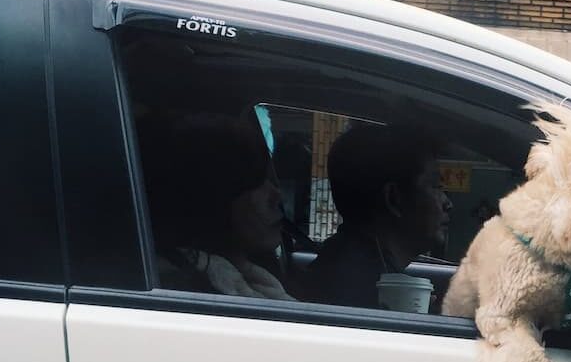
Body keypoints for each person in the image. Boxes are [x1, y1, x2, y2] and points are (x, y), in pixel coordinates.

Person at [140, 112, 295, 301]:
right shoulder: (185, 292)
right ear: (214, 197)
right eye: (256, 181)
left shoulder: (247, 278)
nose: (277, 196)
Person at [305, 123, 452, 309]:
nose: (447, 203)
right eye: (436, 186)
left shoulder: (349, 265)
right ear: (393, 198)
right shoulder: (359, 290)